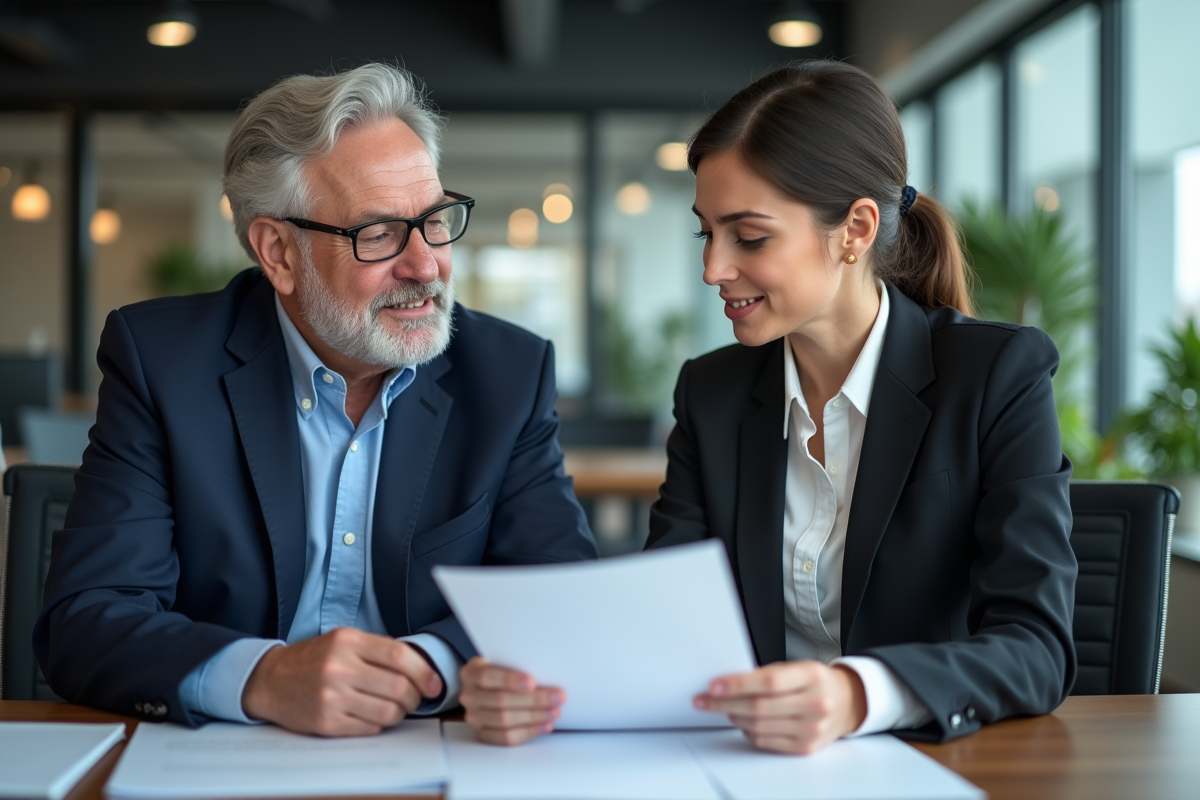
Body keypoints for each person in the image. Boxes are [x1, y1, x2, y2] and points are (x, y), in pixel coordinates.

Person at [458, 60, 1076, 752]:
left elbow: (1035, 648)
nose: (713, 269)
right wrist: (537, 686)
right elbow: (663, 622)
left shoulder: (997, 374)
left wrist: (855, 693)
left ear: (855, 230)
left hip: (934, 764)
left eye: (749, 237)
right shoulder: (712, 392)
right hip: (749, 766)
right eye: (706, 233)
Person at [34, 63, 596, 737]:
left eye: (436, 220)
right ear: (278, 252)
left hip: (438, 750)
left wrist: (427, 665)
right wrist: (261, 678)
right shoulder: (163, 362)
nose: (426, 264)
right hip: (223, 760)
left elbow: (561, 600)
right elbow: (87, 620)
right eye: (380, 233)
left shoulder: (506, 372)